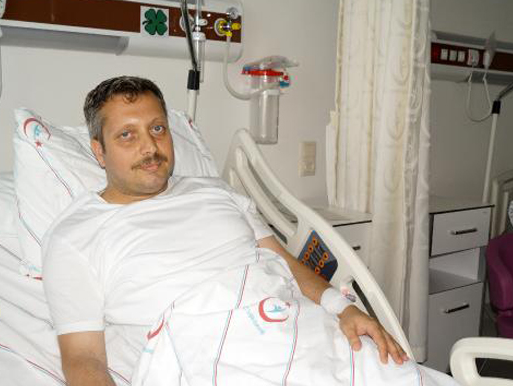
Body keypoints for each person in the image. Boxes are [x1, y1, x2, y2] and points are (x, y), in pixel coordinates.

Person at [42, 76, 408, 386]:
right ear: (99, 152)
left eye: (157, 128)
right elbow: (83, 358)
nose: (150, 147)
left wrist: (342, 308)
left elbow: (281, 260)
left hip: (296, 338)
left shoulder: (217, 192)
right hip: (208, 361)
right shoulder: (76, 237)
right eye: (127, 135)